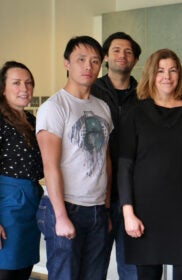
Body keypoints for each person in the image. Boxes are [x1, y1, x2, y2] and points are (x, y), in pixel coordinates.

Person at [118, 48, 182, 280]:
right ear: (151, 75)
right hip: (145, 210)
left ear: (179, 75)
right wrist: (128, 212)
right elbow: (125, 166)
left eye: (173, 70)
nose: (167, 76)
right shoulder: (134, 114)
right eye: (160, 70)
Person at [35, 36, 113, 279]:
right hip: (66, 207)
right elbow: (50, 166)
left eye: (94, 61)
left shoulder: (102, 107)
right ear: (67, 63)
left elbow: (106, 160)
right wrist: (60, 217)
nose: (88, 66)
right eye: (81, 60)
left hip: (97, 210)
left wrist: (107, 207)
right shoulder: (55, 107)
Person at [91, 31, 141, 280]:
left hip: (134, 194)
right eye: (117, 50)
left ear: (135, 61)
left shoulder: (145, 94)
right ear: (106, 58)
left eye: (129, 52)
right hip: (97, 194)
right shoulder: (91, 90)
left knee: (132, 268)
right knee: (94, 267)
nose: (123, 55)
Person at [0, 61, 43, 280]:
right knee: (6, 270)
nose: (24, 88)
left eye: (28, 83)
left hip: (31, 202)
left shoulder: (32, 120)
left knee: (24, 268)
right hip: (6, 204)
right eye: (16, 83)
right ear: (3, 88)